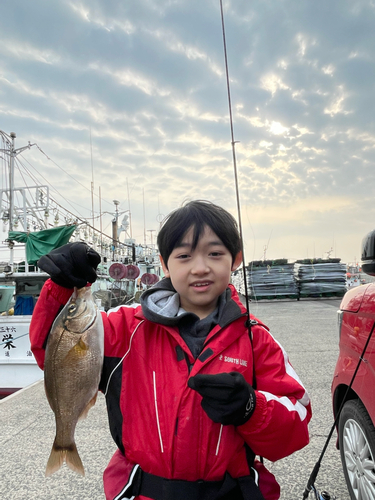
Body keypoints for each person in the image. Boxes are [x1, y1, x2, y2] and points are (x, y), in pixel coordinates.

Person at [30, 200, 311, 500]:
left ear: (236, 259)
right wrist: (61, 287)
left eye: (215, 254)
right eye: (184, 256)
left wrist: (251, 408)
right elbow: (52, 353)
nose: (200, 267)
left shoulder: (258, 340)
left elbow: (296, 427)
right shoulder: (125, 328)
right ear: (165, 263)